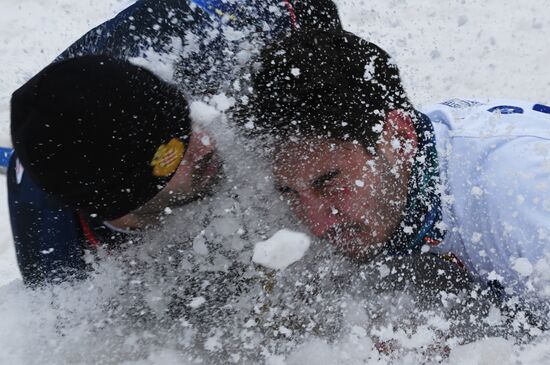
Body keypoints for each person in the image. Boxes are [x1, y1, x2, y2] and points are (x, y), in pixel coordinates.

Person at [8, 0, 343, 286]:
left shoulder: (221, 44)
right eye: (174, 152)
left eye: (190, 122)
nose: (206, 143)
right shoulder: (53, 244)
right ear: (125, 200)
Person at [246, 30, 550, 294]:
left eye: (330, 184)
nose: (317, 223)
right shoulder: (406, 164)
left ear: (399, 139)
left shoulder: (517, 196)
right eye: (290, 193)